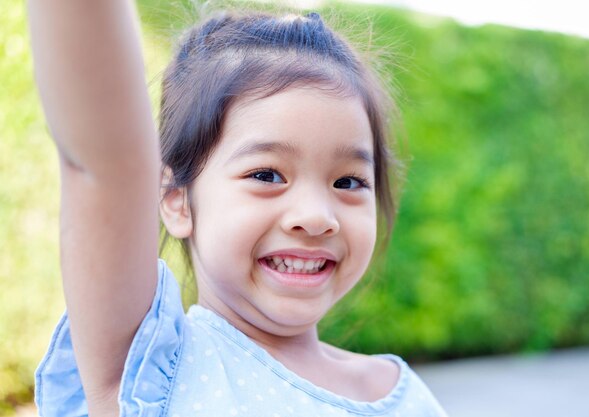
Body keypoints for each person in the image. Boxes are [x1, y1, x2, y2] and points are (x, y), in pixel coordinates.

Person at [28, 1, 447, 416]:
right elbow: (101, 165)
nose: (318, 217)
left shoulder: (406, 397)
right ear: (176, 200)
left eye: (348, 182)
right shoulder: (151, 371)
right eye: (266, 175)